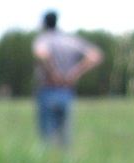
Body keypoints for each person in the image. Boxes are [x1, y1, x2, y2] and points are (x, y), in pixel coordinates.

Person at [33, 10, 103, 146]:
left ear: (44, 23)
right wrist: (75, 72)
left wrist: (53, 73)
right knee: (65, 139)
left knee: (47, 139)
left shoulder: (43, 39)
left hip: (47, 89)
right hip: (67, 91)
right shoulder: (70, 40)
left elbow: (41, 53)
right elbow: (95, 55)